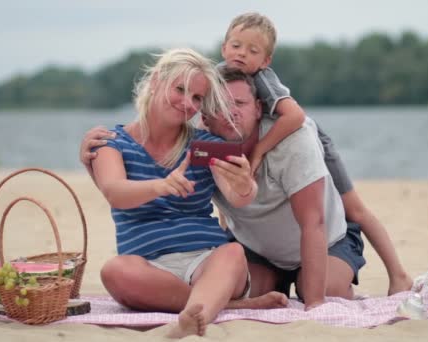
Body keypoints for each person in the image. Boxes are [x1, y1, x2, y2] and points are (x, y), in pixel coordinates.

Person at [86, 48, 285, 338]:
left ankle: (193, 318)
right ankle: (223, 304)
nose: (187, 104)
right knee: (114, 271)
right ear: (156, 81)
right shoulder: (112, 144)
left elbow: (237, 195)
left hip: (206, 262)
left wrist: (245, 184)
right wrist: (161, 185)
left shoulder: (205, 144)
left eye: (197, 98)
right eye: (180, 89)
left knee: (232, 252)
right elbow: (115, 192)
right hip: (148, 266)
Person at [218, 12, 412, 295]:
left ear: (266, 60)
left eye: (252, 50)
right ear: (224, 47)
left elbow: (295, 116)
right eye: (236, 46)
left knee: (355, 209)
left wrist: (259, 150)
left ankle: (399, 274)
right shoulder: (217, 79)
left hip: (310, 139)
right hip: (258, 217)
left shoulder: (263, 80)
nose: (241, 54)